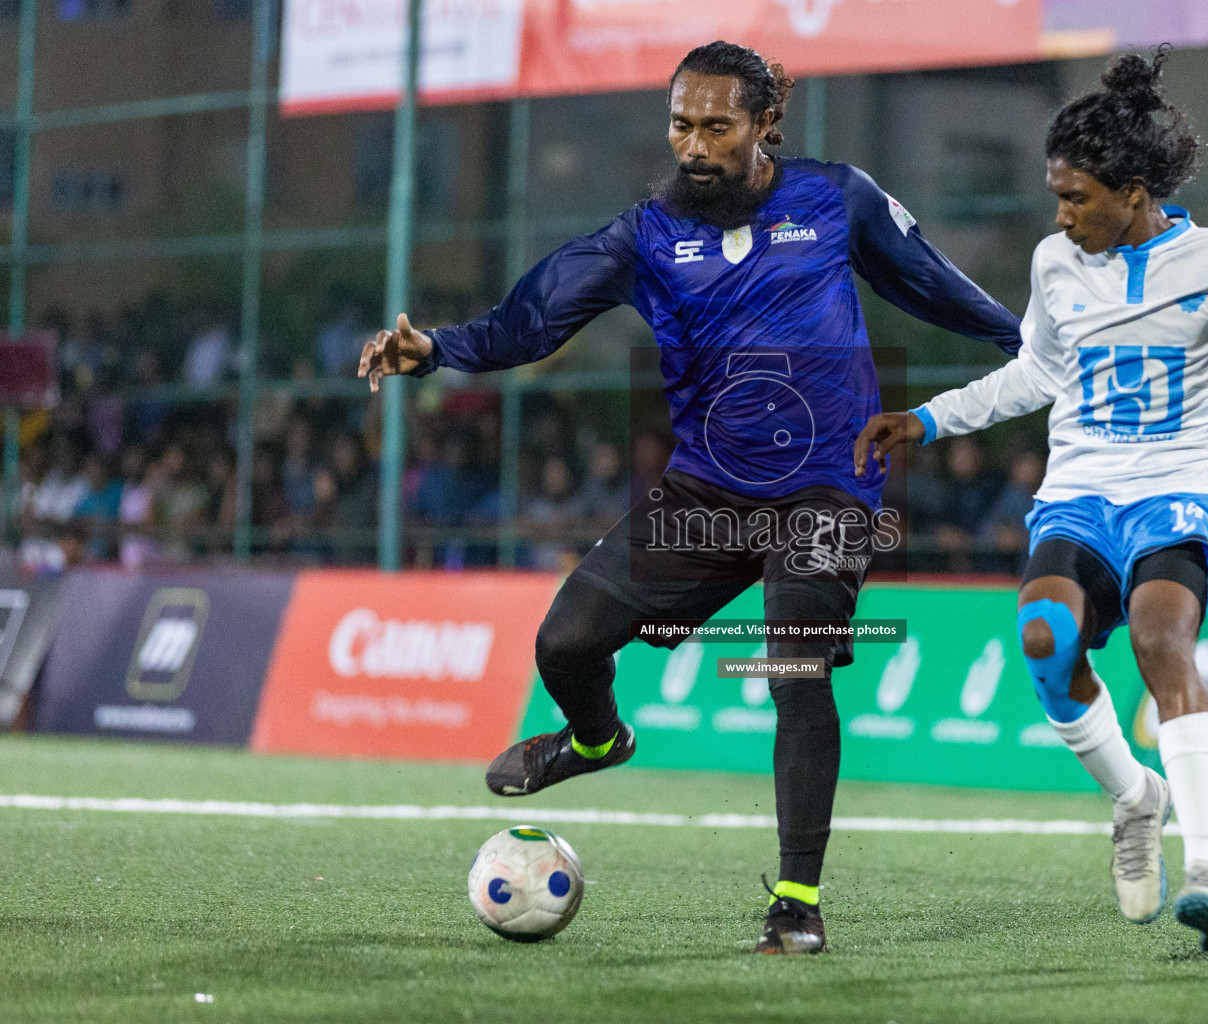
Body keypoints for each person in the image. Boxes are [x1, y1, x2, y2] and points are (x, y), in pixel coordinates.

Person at [358, 40, 1021, 954]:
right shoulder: (645, 236)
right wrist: (434, 348)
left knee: (795, 673)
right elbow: (532, 319)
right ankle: (594, 741)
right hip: (707, 489)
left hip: (828, 488)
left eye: (717, 125)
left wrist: (1024, 344)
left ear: (764, 127)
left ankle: (796, 904)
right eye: (681, 124)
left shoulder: (836, 198)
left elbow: (929, 281)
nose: (695, 145)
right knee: (566, 640)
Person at [855, 48, 1208, 952]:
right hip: (1081, 491)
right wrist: (932, 421)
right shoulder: (1058, 264)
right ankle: (1138, 801)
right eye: (1057, 196)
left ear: (1134, 190)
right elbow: (1039, 372)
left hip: (1182, 488)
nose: (1061, 215)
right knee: (1044, 640)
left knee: (1158, 637)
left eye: (1077, 198)